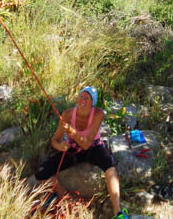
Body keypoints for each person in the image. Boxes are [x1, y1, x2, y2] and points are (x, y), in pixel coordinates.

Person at [28, 86, 128, 219]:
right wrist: (60, 146)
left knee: (110, 167)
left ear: (93, 103)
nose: (83, 100)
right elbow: (55, 140)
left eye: (87, 98)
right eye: (81, 97)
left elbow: (86, 143)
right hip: (73, 149)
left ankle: (118, 212)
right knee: (41, 172)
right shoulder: (68, 114)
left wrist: (71, 132)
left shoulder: (98, 114)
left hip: (94, 148)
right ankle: (64, 197)